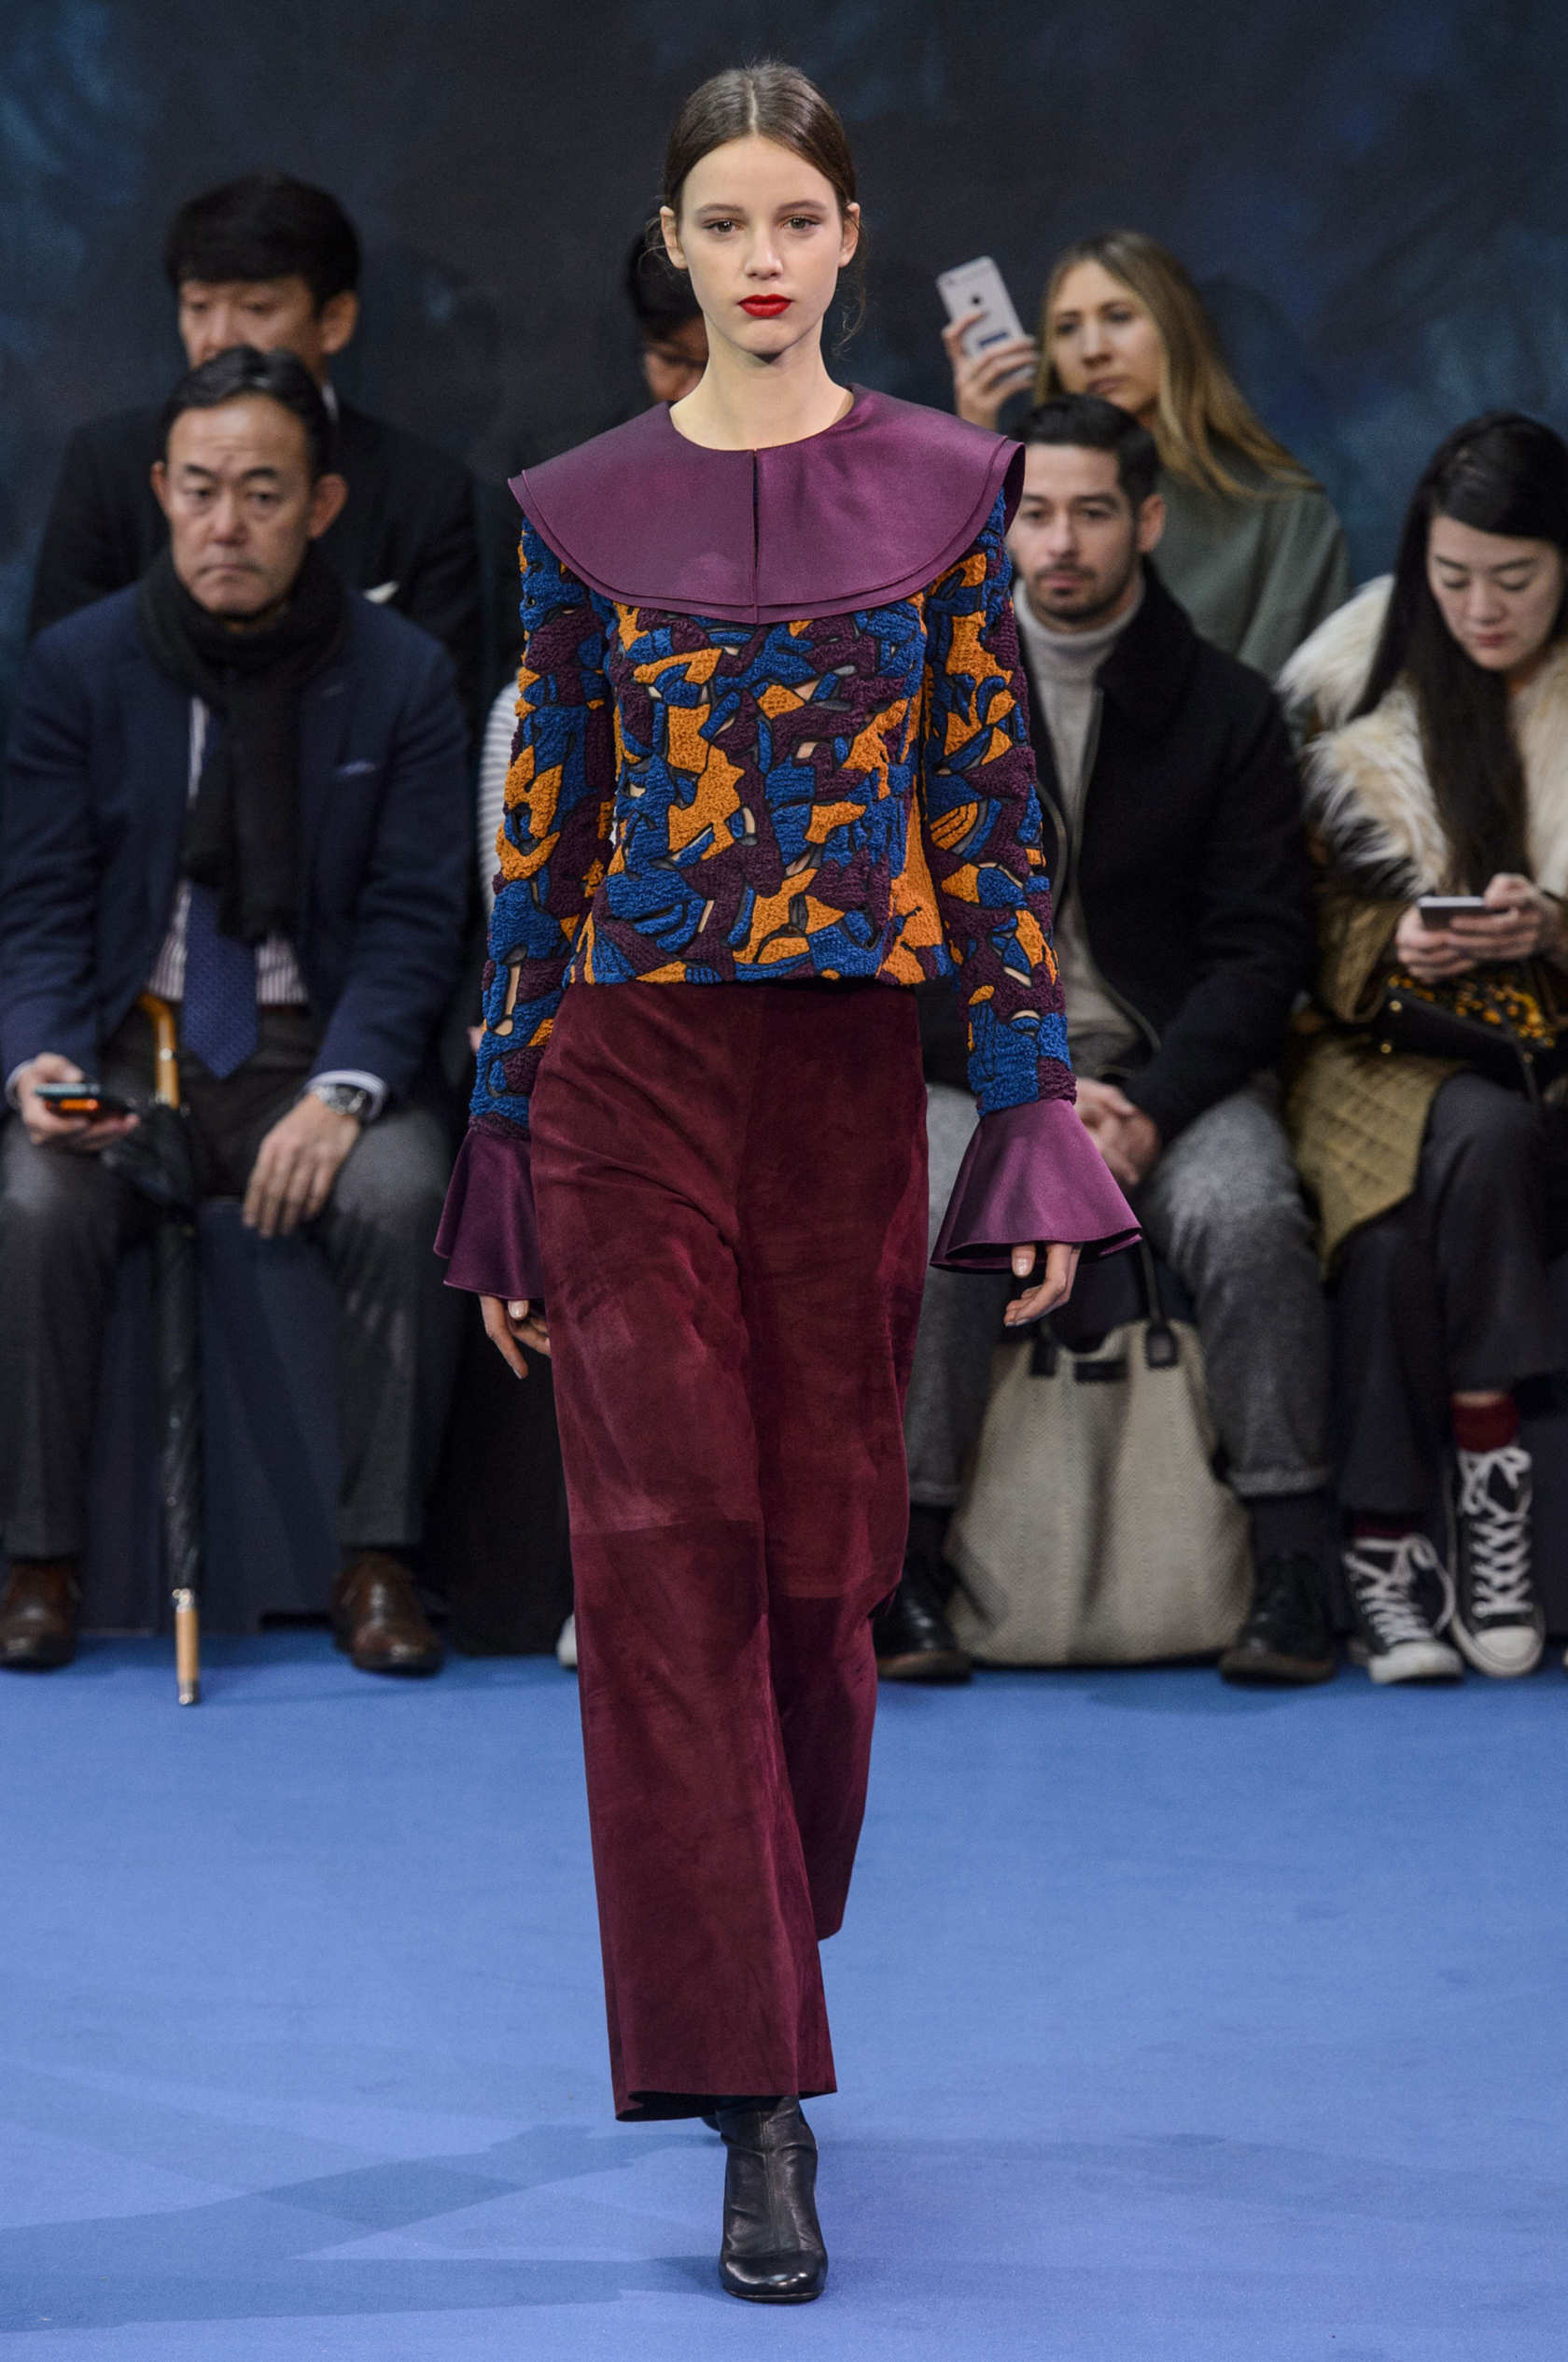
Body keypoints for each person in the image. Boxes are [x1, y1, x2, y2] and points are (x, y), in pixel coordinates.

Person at [436, 63, 1134, 2303]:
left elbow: (990, 816)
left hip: (843, 1080)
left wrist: (1026, 1106)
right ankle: (757, 2100)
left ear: (850, 240)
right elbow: (542, 837)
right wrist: (504, 1129)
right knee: (667, 1569)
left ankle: (755, 1939)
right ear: (675, 240)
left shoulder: (952, 494)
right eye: (722, 219)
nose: (759, 255)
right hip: (625, 1071)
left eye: (795, 219)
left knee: (831, 1578)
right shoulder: (575, 513)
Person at [0, 347, 470, 1677]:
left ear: (321, 505)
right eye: (201, 490)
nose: (226, 524)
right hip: (123, 1043)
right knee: (33, 1198)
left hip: (307, 1048)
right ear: (161, 490)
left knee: (402, 1191)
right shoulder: (80, 666)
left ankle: (376, 1559)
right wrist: (39, 1059)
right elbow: (38, 904)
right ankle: (39, 1560)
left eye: (262, 494)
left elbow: (417, 920)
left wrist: (345, 1090)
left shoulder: (401, 675)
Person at [884, 395, 1336, 1688]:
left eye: (1091, 513)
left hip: (1168, 1076)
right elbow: (895, 936)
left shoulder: (1228, 708)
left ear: (1148, 521)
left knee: (1249, 1217)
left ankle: (1291, 1567)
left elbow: (1263, 952)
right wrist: (1026, 1089)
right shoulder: (927, 695)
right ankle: (905, 1569)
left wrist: (1146, 1107)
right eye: (1034, 515)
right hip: (978, 1065)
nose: (1062, 543)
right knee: (936, 1211)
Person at [1280, 412, 1568, 1684]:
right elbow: (1288, 915)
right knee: (1476, 1141)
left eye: (1515, 578)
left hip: (1546, 1046)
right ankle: (1485, 1479)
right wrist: (1393, 939)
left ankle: (1386, 1537)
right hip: (1375, 1049)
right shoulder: (1353, 691)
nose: (1481, 609)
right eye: (1453, 578)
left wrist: (1553, 926)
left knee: (1403, 1232)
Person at [27, 173, 485, 730]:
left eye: (257, 308)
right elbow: (60, 693)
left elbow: (441, 718)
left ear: (334, 321)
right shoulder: (107, 466)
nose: (218, 338)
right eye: (198, 307)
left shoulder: (424, 492)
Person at [944, 229, 1351, 679]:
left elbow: (1279, 704)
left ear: (1176, 330)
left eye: (1118, 317)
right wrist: (977, 461)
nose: (1093, 351)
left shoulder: (1288, 515)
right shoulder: (1015, 500)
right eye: (1067, 328)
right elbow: (963, 665)